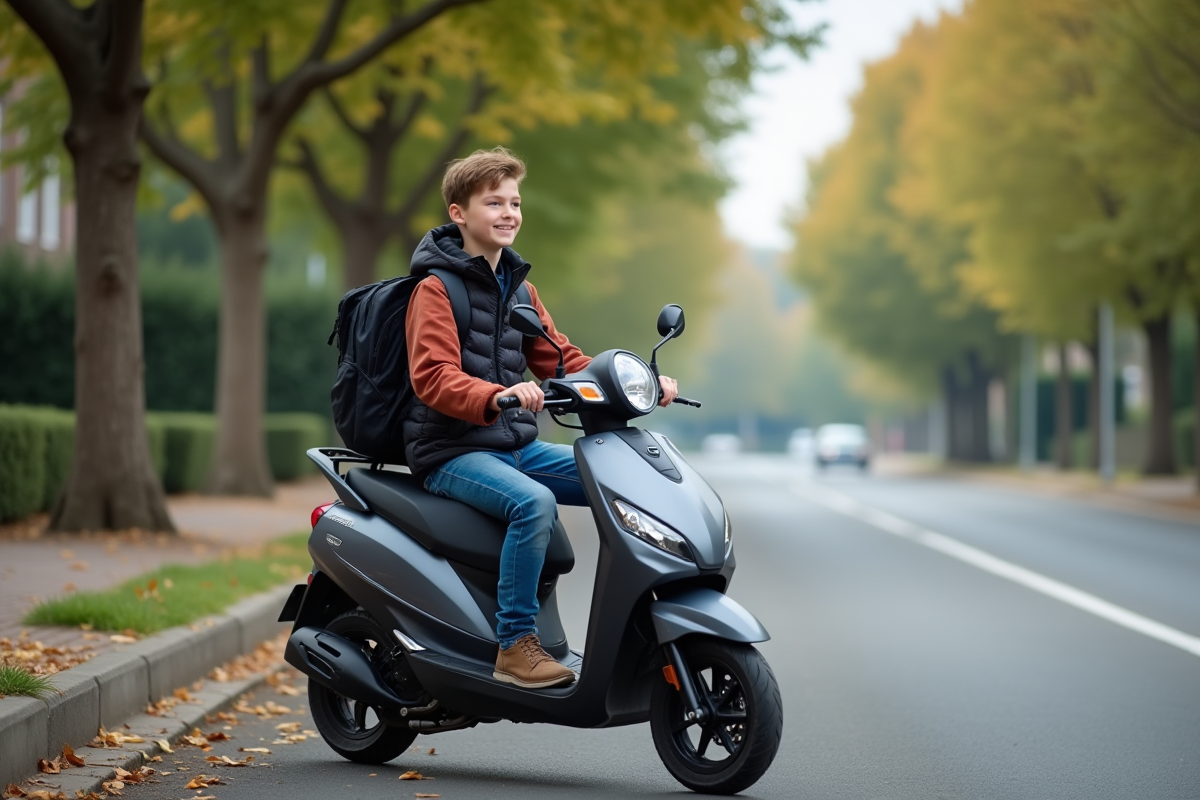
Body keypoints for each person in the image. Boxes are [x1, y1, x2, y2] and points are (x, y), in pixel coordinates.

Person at [402, 147, 679, 689]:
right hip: (452, 449)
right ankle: (515, 645)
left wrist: (641, 383)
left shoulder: (520, 287)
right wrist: (498, 396)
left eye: (515, 202)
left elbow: (565, 360)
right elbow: (431, 378)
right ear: (458, 213)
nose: (509, 213)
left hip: (514, 446)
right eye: (494, 202)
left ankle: (653, 618)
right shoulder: (434, 290)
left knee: (626, 476)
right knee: (534, 504)